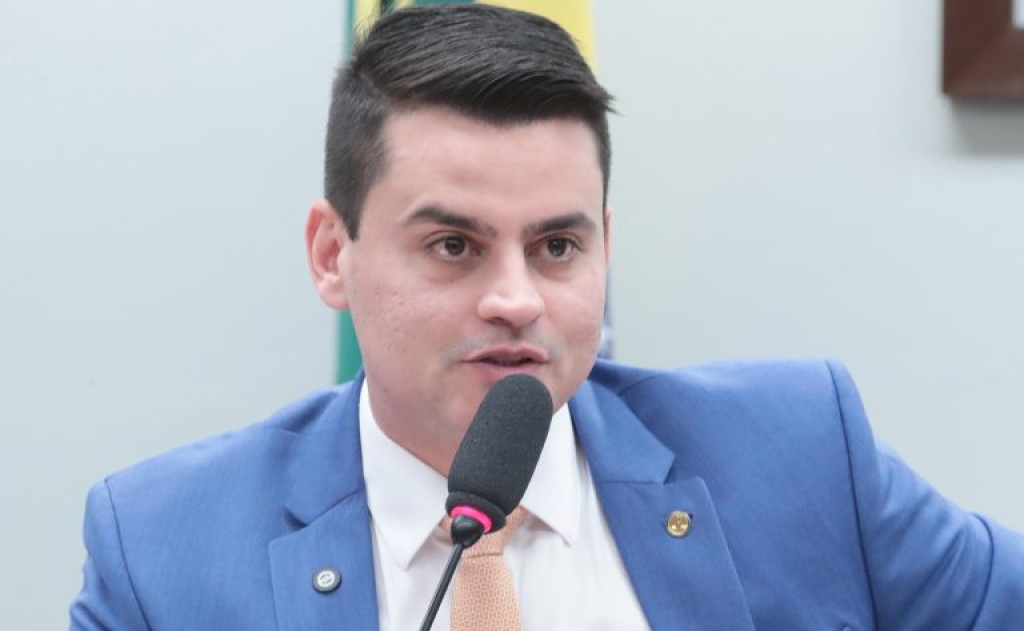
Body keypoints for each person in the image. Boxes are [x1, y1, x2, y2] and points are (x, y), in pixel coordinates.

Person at [69, 5, 1023, 630]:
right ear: (331, 254)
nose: (517, 298)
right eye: (454, 245)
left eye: (558, 245)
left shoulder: (800, 452)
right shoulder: (164, 550)